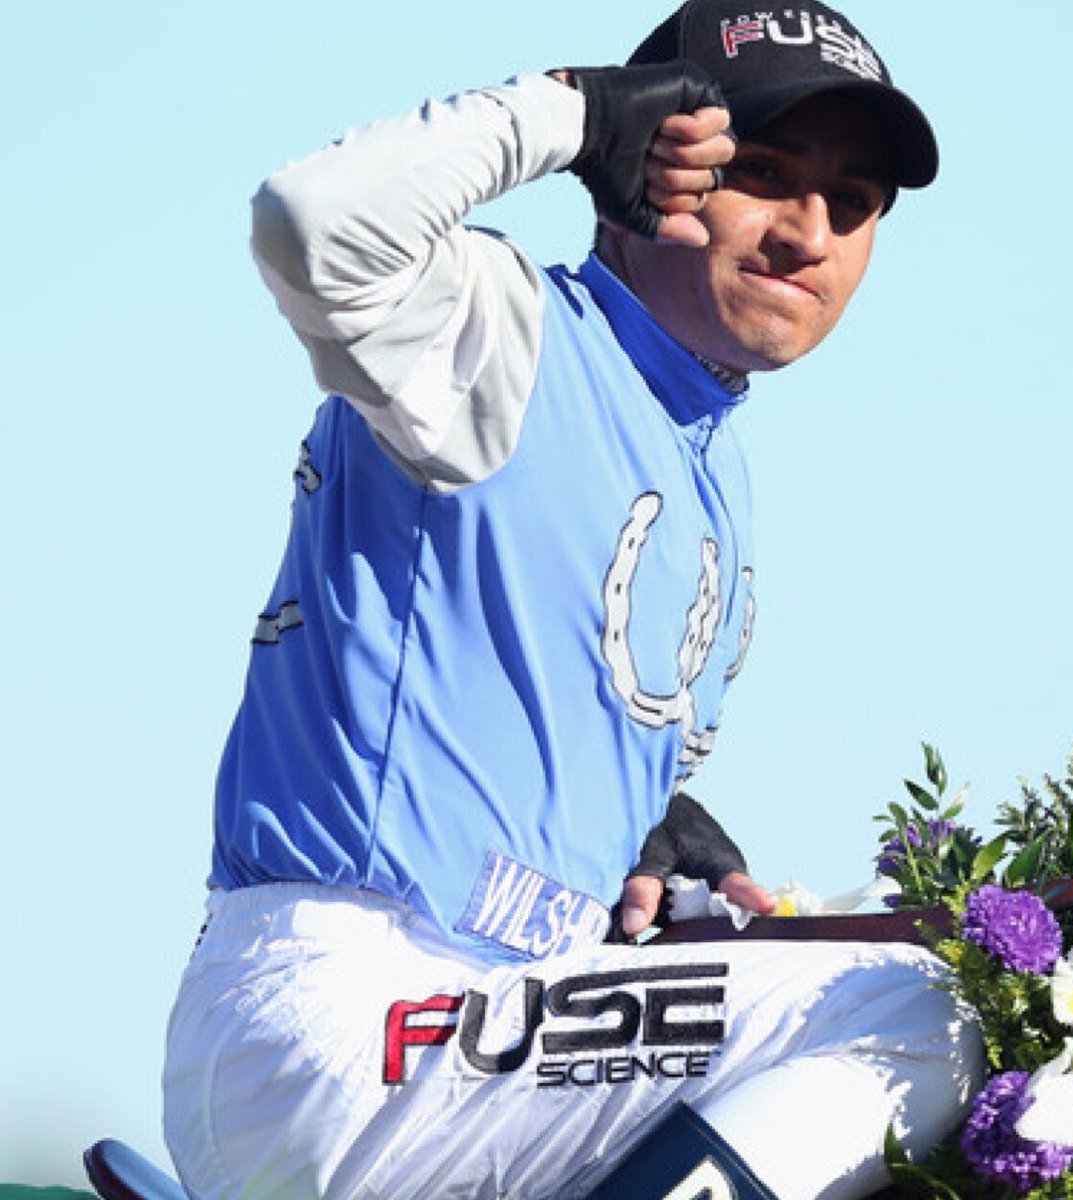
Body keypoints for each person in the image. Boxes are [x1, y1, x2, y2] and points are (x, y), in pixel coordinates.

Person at [162, 3, 982, 1198]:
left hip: (473, 1025)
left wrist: (639, 829)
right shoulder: (506, 330)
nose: (809, 234)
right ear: (653, 166)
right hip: (353, 1012)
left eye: (850, 203)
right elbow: (310, 221)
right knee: (926, 1012)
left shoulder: (713, 467)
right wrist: (569, 113)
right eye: (764, 173)